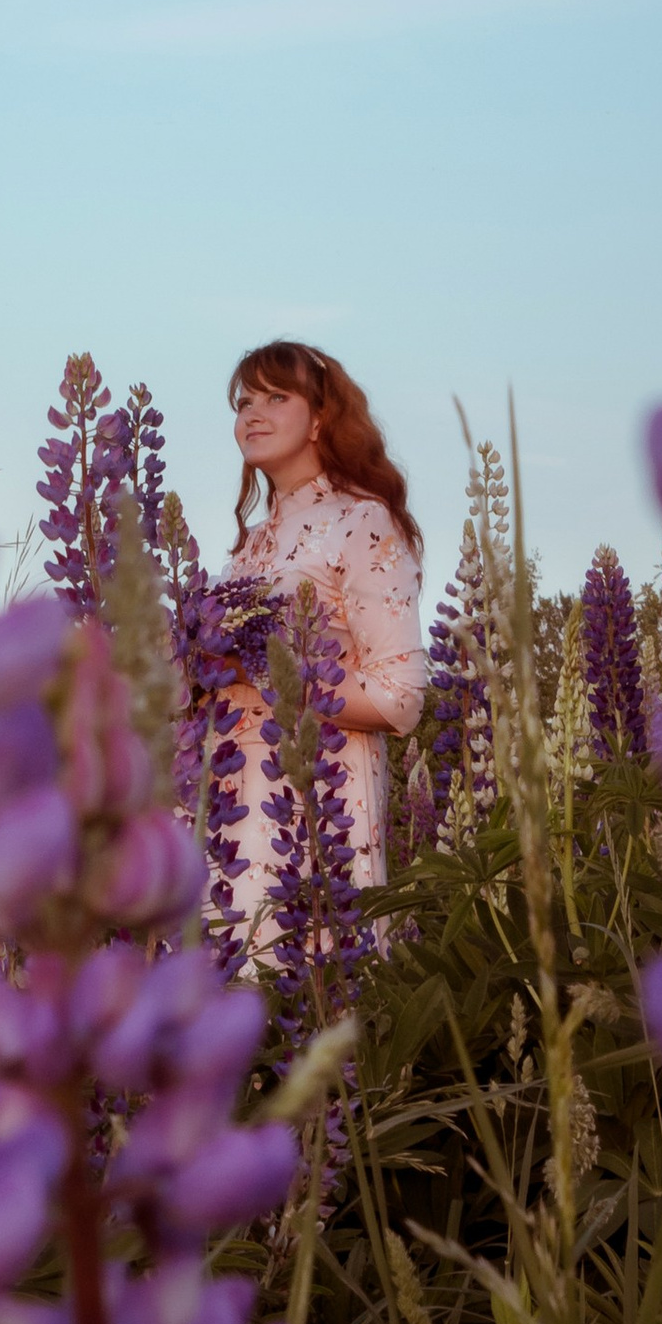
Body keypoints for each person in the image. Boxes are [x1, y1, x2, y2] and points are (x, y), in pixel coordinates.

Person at [220, 340, 428, 929]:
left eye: (275, 397)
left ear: (319, 419)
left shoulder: (362, 520)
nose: (252, 414)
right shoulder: (250, 544)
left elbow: (401, 698)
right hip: (228, 813)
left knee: (315, 998)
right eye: (244, 401)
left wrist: (261, 674)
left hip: (320, 811)